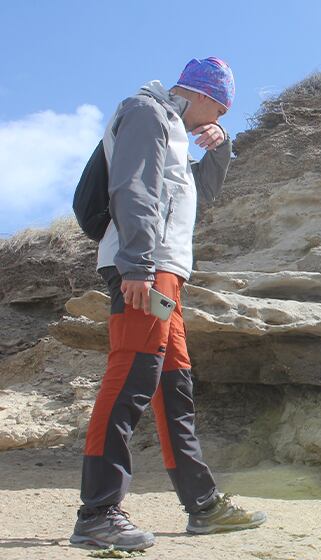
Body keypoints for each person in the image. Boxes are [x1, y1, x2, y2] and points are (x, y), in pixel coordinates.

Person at [71, 58, 266, 551]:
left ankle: (202, 507)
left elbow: (203, 194)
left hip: (167, 273)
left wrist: (220, 149)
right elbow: (132, 187)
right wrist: (137, 265)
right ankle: (97, 513)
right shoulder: (146, 111)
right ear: (200, 94)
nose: (214, 119)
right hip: (144, 267)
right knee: (131, 378)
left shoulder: (177, 131)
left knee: (172, 389)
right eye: (217, 109)